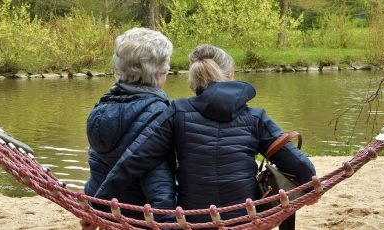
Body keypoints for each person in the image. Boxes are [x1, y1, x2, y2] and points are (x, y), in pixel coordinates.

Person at [95, 45, 316, 227]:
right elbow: (300, 166)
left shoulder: (176, 112)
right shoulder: (255, 117)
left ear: (193, 83)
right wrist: (311, 187)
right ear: (230, 76)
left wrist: (96, 205)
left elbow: (134, 161)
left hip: (195, 221)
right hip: (245, 219)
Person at [83, 27, 176, 223]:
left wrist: (91, 210)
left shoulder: (101, 107)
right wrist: (168, 223)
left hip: (105, 210)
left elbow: (98, 167)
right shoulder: (160, 113)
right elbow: (158, 182)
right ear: (160, 73)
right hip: (139, 217)